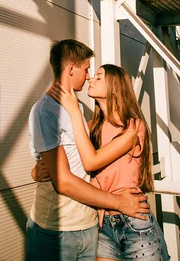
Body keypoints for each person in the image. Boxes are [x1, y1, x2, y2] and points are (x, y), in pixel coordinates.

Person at [26, 40, 150, 261]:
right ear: (71, 68)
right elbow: (63, 178)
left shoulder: (82, 112)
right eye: (86, 69)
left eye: (96, 75)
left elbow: (85, 161)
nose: (89, 76)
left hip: (93, 224)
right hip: (60, 230)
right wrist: (36, 172)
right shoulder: (46, 111)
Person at [49, 64, 170, 261]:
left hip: (134, 223)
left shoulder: (133, 127)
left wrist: (74, 111)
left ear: (114, 87)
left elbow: (91, 162)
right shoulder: (90, 128)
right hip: (102, 225)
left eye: (98, 77)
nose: (90, 79)